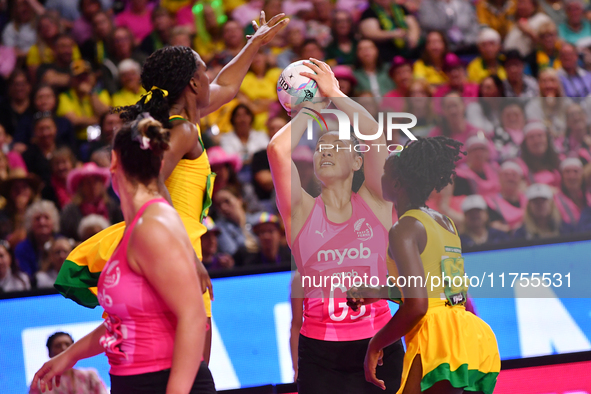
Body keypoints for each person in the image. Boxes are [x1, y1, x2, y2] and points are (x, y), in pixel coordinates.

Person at [55, 13, 289, 364]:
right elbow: (151, 185)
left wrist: (253, 44)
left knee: (166, 350)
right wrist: (188, 257)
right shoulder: (183, 131)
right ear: (193, 84)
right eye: (203, 71)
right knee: (196, 366)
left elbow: (228, 86)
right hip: (174, 244)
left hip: (167, 241)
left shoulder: (179, 122)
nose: (211, 77)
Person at [32, 117, 213, 393]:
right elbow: (125, 322)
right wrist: (68, 356)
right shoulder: (141, 224)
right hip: (134, 379)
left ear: (113, 162)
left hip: (159, 380)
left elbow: (194, 316)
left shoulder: (151, 227)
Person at [268, 58, 404, 393]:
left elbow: (373, 136)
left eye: (337, 145)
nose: (325, 150)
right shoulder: (300, 211)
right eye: (320, 148)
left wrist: (336, 94)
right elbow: (277, 150)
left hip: (380, 344)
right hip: (320, 354)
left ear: (358, 162)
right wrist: (310, 109)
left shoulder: (377, 201)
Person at [351, 136, 500, 393]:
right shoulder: (445, 223)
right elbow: (436, 290)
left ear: (397, 182)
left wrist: (376, 344)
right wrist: (378, 293)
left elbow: (418, 305)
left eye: (385, 173)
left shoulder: (404, 228)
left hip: (436, 337)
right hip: (467, 331)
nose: (381, 177)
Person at [60, 163, 123, 241]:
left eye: (96, 181)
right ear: (81, 186)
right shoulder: (71, 211)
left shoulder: (112, 207)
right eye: (88, 182)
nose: (93, 186)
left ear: (102, 184)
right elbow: (66, 237)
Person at [30, 331, 108, 394]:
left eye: (67, 344)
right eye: (58, 346)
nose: (64, 348)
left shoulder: (90, 376)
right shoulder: (41, 383)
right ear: (49, 353)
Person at [15, 200, 60, 281]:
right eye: (37, 219)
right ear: (30, 223)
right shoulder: (22, 248)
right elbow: (26, 276)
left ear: (53, 221)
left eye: (46, 217)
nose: (42, 222)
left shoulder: (62, 243)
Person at [485, 160, 528, 232]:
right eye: (506, 175)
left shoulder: (528, 200)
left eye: (514, 175)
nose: (510, 178)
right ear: (499, 178)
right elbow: (493, 224)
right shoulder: (491, 202)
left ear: (520, 179)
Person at [554, 157, 591, 225]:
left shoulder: (589, 197)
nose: (572, 176)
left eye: (575, 171)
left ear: (582, 175)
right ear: (562, 176)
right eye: (567, 172)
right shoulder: (555, 200)